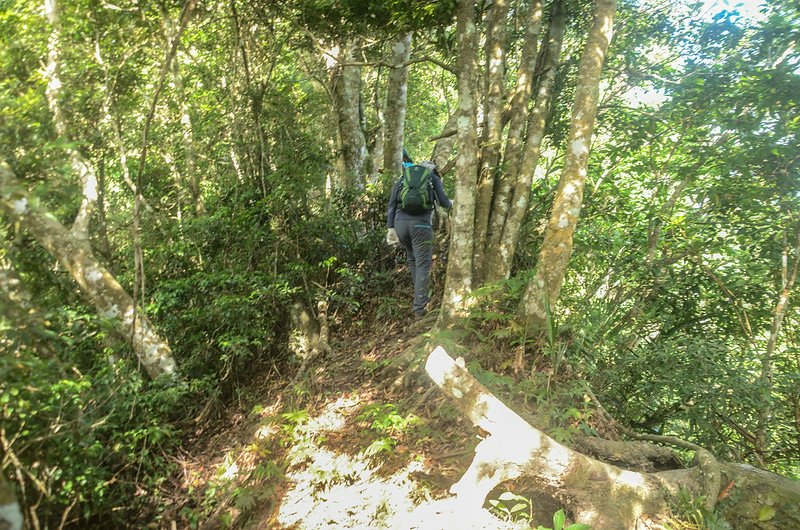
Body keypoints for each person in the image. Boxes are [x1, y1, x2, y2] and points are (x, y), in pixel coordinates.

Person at [386, 150, 452, 318]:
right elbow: (444, 202)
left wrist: (390, 228)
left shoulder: (403, 179)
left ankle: (419, 301)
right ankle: (420, 308)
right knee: (423, 264)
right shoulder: (433, 178)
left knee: (413, 260)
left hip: (400, 225)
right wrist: (454, 203)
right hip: (420, 225)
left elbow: (392, 204)